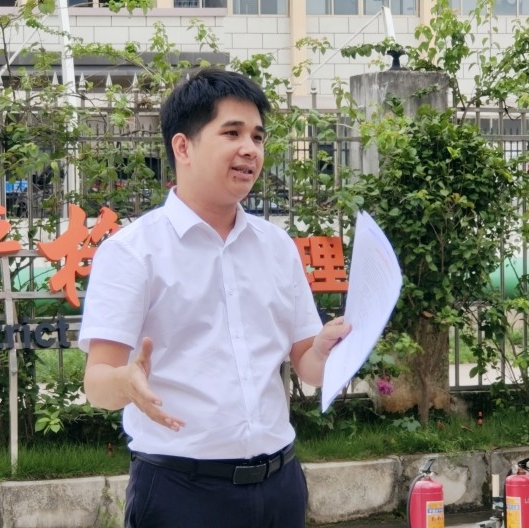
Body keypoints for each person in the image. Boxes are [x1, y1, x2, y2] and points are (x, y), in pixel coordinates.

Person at [79, 67, 351, 528]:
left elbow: (307, 363)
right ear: (183, 147)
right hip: (182, 494)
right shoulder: (132, 252)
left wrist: (325, 351)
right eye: (232, 133)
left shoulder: (276, 247)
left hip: (280, 486)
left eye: (258, 137)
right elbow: (97, 382)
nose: (250, 149)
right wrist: (127, 382)